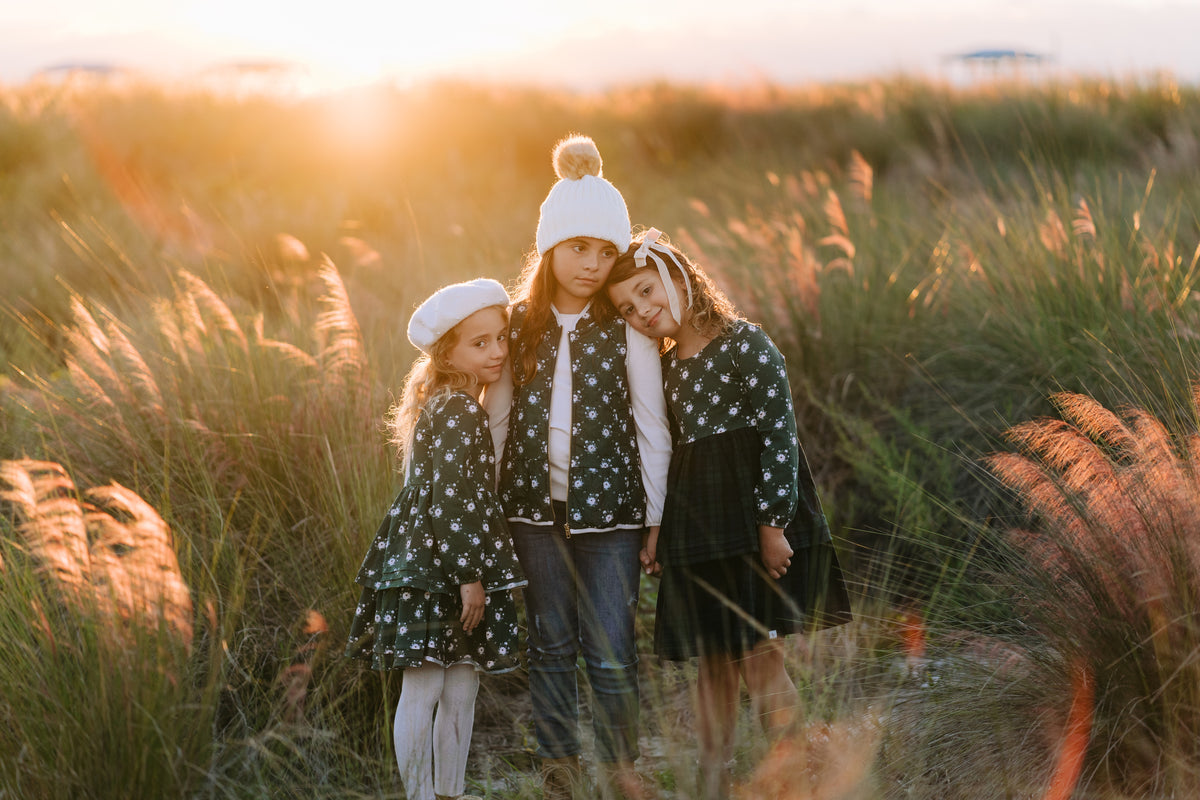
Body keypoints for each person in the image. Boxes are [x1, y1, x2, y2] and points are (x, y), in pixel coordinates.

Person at [604, 229, 854, 800]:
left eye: (647, 292)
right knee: (712, 663)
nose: (643, 311)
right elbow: (662, 452)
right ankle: (712, 780)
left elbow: (779, 437)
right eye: (628, 308)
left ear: (678, 277)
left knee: (758, 655)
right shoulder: (663, 370)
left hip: (749, 521)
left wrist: (773, 525)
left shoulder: (745, 343)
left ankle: (794, 772)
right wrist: (658, 529)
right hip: (696, 523)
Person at [486, 135, 672, 800]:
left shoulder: (623, 326)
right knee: (551, 645)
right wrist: (492, 517)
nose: (592, 264)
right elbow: (500, 422)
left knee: (612, 647)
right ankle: (559, 773)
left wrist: (656, 519)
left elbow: (652, 424)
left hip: (614, 518)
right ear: (549, 250)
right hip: (532, 515)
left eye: (605, 251)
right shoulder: (517, 324)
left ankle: (623, 770)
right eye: (578, 248)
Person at [345, 278, 526, 800]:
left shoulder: (457, 404)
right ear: (449, 353)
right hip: (436, 566)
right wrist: (471, 576)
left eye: (501, 338)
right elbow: (452, 499)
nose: (496, 352)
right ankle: (421, 794)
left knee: (461, 685)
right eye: (479, 343)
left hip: (446, 556)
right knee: (424, 687)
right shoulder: (456, 410)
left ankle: (449, 792)